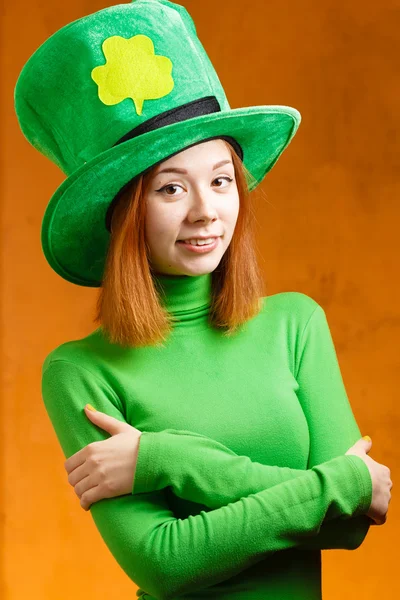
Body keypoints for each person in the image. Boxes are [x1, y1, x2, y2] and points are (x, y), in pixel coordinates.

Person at [14, 1, 392, 598]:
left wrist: (161, 459)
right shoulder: (79, 371)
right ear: (123, 213)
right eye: (170, 187)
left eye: (220, 180)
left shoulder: (296, 325)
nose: (206, 212)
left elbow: (350, 526)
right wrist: (336, 482)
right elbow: (165, 563)